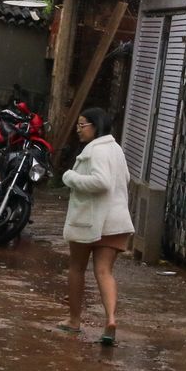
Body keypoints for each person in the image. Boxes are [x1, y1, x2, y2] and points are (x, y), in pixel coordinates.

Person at [58, 107, 133, 345]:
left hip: (91, 221)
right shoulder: (116, 149)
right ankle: (110, 318)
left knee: (76, 268)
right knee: (104, 272)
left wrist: (71, 177)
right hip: (116, 220)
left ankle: (74, 320)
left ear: (95, 125)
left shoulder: (96, 151)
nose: (78, 130)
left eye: (82, 125)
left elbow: (101, 182)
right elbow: (126, 179)